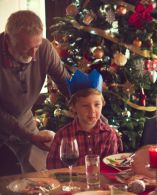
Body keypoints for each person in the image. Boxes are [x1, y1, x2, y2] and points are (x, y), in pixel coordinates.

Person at [0, 10, 70, 173]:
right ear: (8, 40)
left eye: (36, 46)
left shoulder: (44, 48)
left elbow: (65, 81)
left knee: (39, 177)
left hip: (25, 121)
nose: (33, 55)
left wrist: (90, 109)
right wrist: (29, 136)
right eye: (26, 48)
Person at [46, 69, 120, 169]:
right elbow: (52, 167)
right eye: (85, 105)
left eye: (97, 104)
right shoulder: (62, 135)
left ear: (103, 104)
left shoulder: (109, 135)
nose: (92, 110)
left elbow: (111, 168)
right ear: (74, 107)